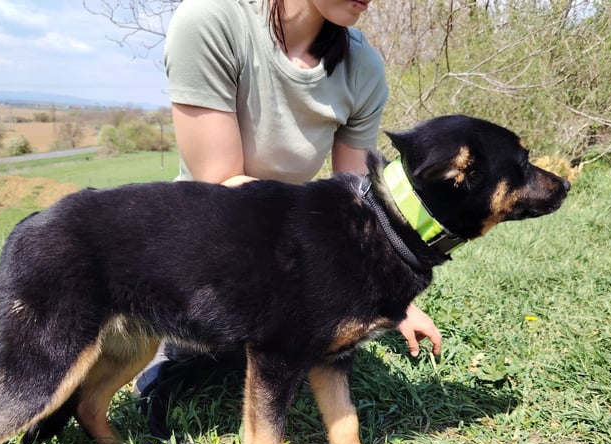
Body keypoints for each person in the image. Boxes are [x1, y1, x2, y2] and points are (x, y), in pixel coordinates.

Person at [137, 0, 442, 404]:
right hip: (207, 246)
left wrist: (392, 298)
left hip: (284, 252)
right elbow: (221, 183)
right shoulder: (212, 21)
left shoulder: (362, 65)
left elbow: (357, 202)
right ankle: (165, 337)